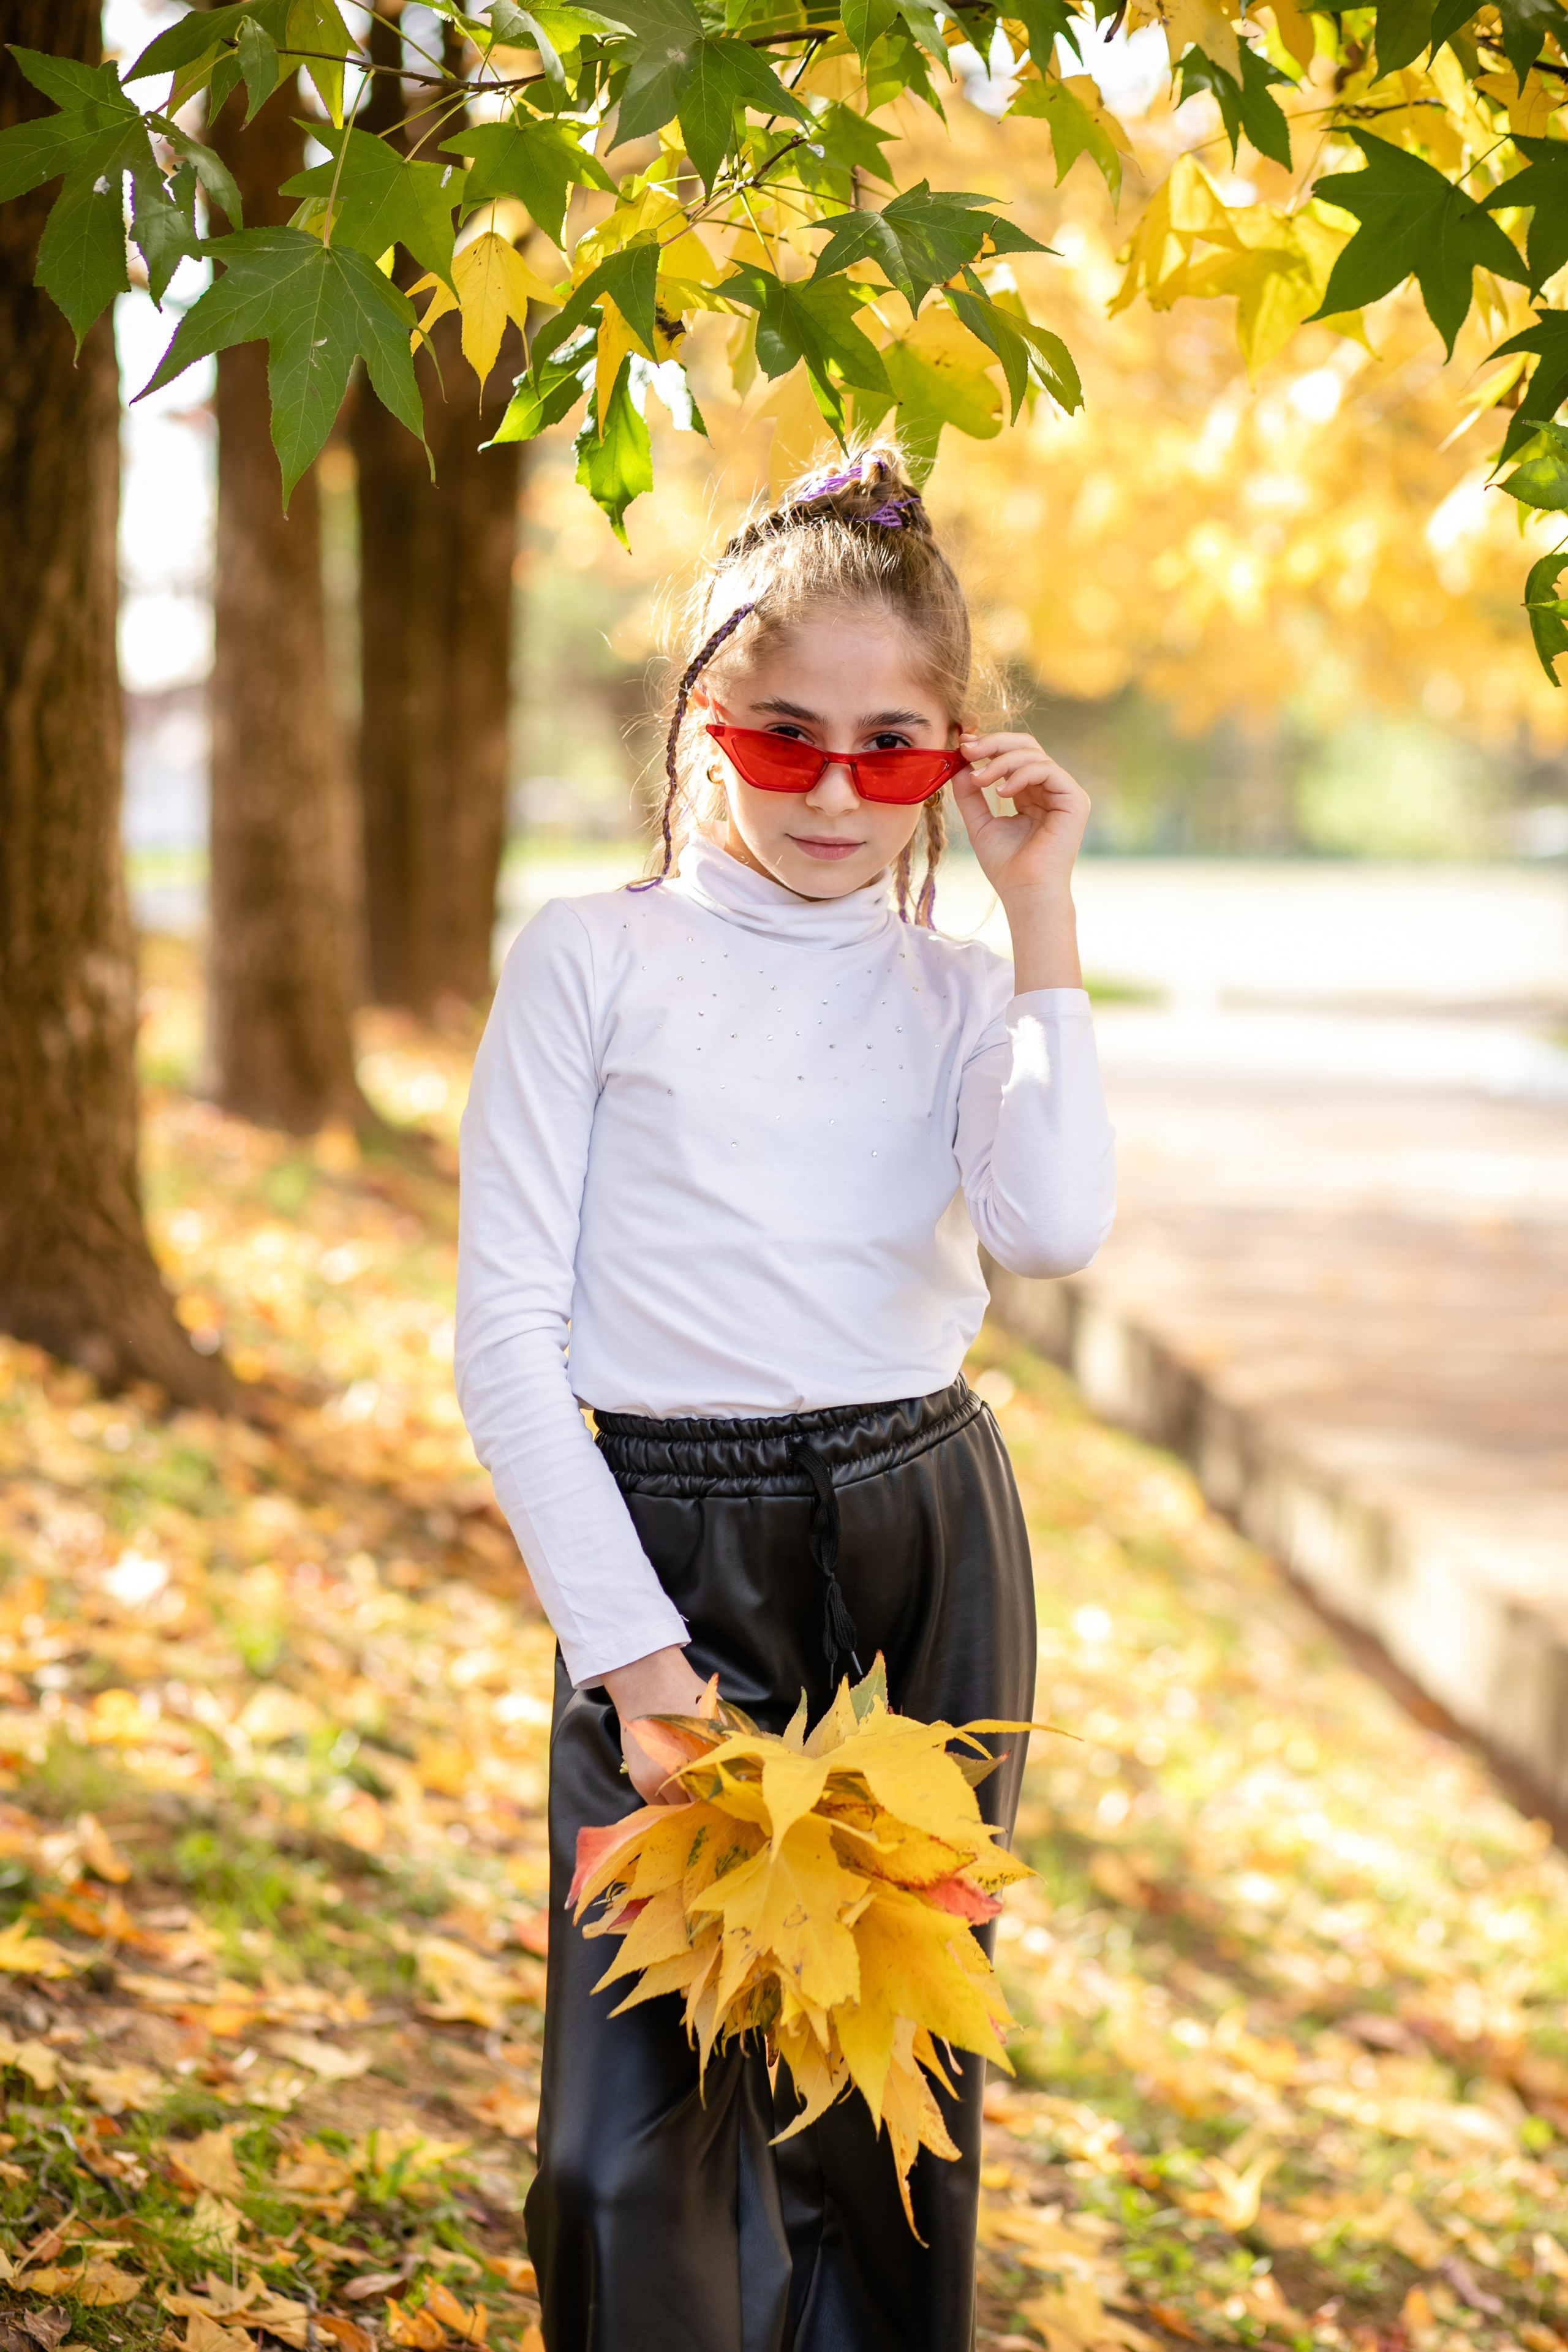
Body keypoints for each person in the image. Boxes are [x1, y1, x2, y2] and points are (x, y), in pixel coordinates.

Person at [454, 443, 1117, 2352]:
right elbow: (505, 1334)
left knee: (875, 2121)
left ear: (955, 758)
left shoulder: (953, 992)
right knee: (629, 2142)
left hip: (926, 1551)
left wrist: (1040, 916)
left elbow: (1053, 1230)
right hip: (670, 1553)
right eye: (785, 738)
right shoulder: (594, 960)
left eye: (893, 749)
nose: (835, 791)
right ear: (702, 727)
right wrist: (639, 1668)